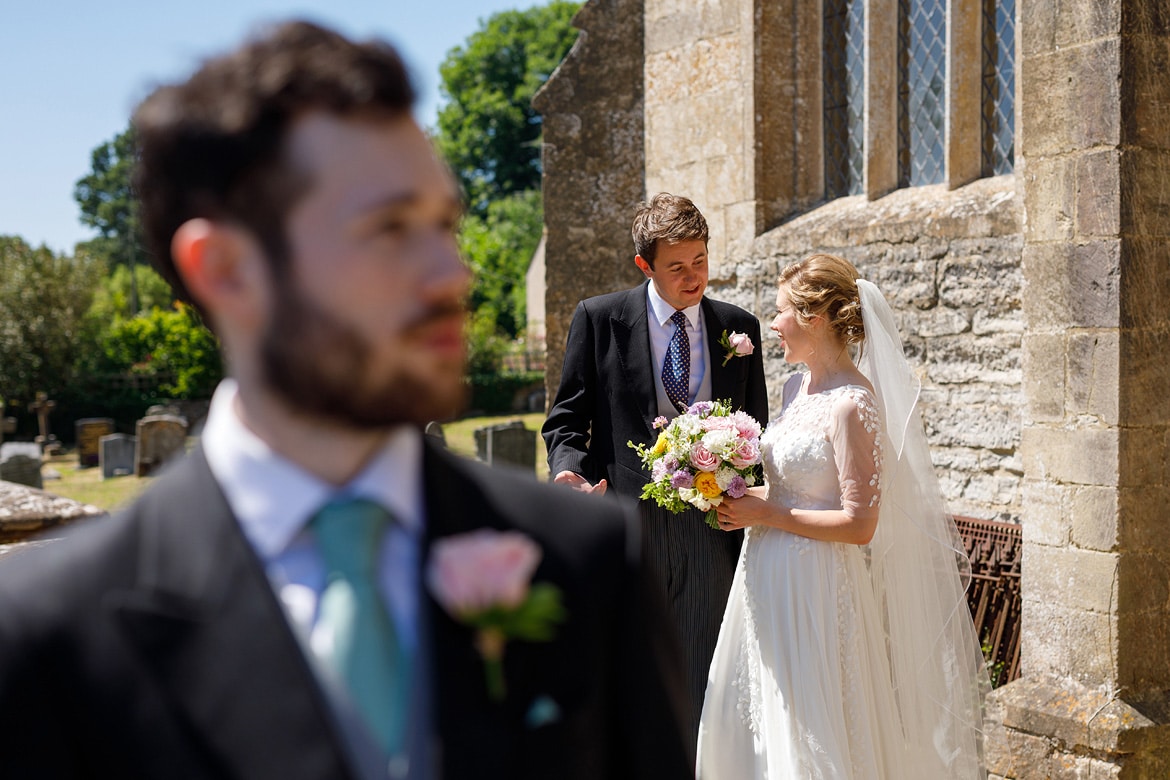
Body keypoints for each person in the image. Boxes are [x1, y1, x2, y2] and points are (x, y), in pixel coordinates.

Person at [0, 21, 693, 780]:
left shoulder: (585, 559)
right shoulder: (50, 635)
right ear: (226, 270)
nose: (452, 275)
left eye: (444, 225)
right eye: (390, 229)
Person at [697, 253, 988, 779]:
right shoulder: (794, 388)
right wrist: (729, 489)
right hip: (764, 573)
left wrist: (767, 512)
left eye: (782, 310)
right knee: (762, 712)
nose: (774, 324)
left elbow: (859, 524)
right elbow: (796, 486)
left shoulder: (854, 405)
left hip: (817, 582)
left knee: (813, 724)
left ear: (816, 317)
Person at [542, 192, 768, 742]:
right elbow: (567, 418)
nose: (694, 278)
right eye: (677, 267)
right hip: (626, 521)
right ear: (645, 265)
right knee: (625, 669)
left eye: (701, 262)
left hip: (712, 527)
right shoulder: (599, 319)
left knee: (704, 669)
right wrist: (566, 470)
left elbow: (756, 428)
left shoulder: (740, 328)